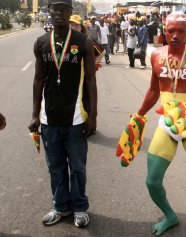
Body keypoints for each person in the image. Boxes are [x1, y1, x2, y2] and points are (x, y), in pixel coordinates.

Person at [122, 11, 186, 236]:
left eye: (180, 31)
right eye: (171, 31)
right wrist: (138, 115)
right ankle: (170, 215)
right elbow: (153, 90)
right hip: (167, 124)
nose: (175, 35)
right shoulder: (157, 55)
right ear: (164, 32)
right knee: (152, 181)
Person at [28, 0, 97, 227]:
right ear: (49, 11)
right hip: (49, 119)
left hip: (76, 118)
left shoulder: (83, 42)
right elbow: (38, 80)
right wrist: (35, 114)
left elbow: (90, 80)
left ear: (70, 12)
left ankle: (79, 207)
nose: (59, 13)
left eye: (64, 9)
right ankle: (60, 206)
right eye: (55, 9)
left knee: (77, 167)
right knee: (55, 167)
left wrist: (93, 115)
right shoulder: (40, 43)